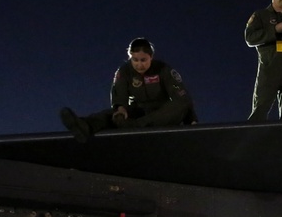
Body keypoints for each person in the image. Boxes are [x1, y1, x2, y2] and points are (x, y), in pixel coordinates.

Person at [60, 38, 197, 142]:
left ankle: (136, 126)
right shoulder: (124, 71)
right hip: (138, 111)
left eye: (143, 60)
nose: (139, 64)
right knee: (109, 114)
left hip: (161, 114)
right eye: (135, 60)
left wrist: (192, 121)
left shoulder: (164, 70)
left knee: (181, 104)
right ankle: (85, 126)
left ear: (151, 57)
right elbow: (120, 96)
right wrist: (120, 110)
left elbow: (182, 98)